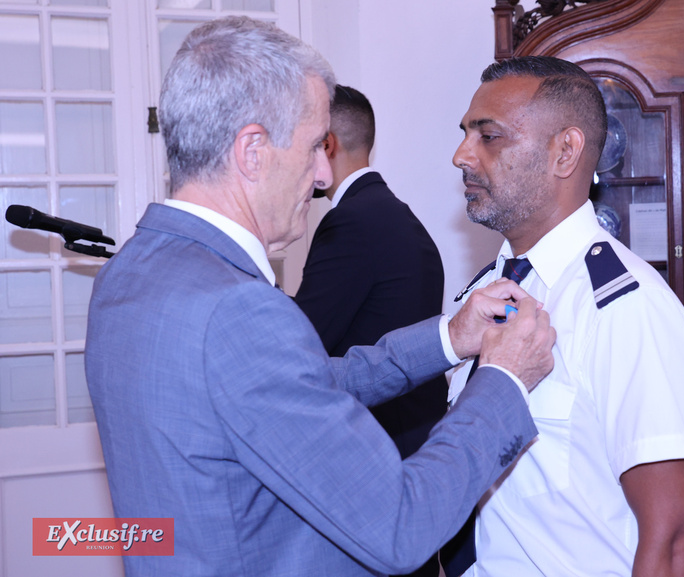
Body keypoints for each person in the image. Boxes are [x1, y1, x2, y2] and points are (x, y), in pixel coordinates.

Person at [84, 17, 557, 577]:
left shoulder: (130, 271)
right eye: (314, 147)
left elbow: (305, 383)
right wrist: (503, 380)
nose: (323, 174)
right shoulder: (237, 310)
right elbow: (400, 525)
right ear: (252, 151)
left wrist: (449, 339)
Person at [445, 56, 684, 577]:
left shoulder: (625, 307)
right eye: (466, 134)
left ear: (565, 151)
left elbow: (675, 535)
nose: (461, 156)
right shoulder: (484, 293)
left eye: (488, 136)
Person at [293, 85, 447, 577]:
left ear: (327, 144)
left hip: (371, 452)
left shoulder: (349, 223)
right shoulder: (400, 216)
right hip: (415, 440)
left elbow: (300, 341)